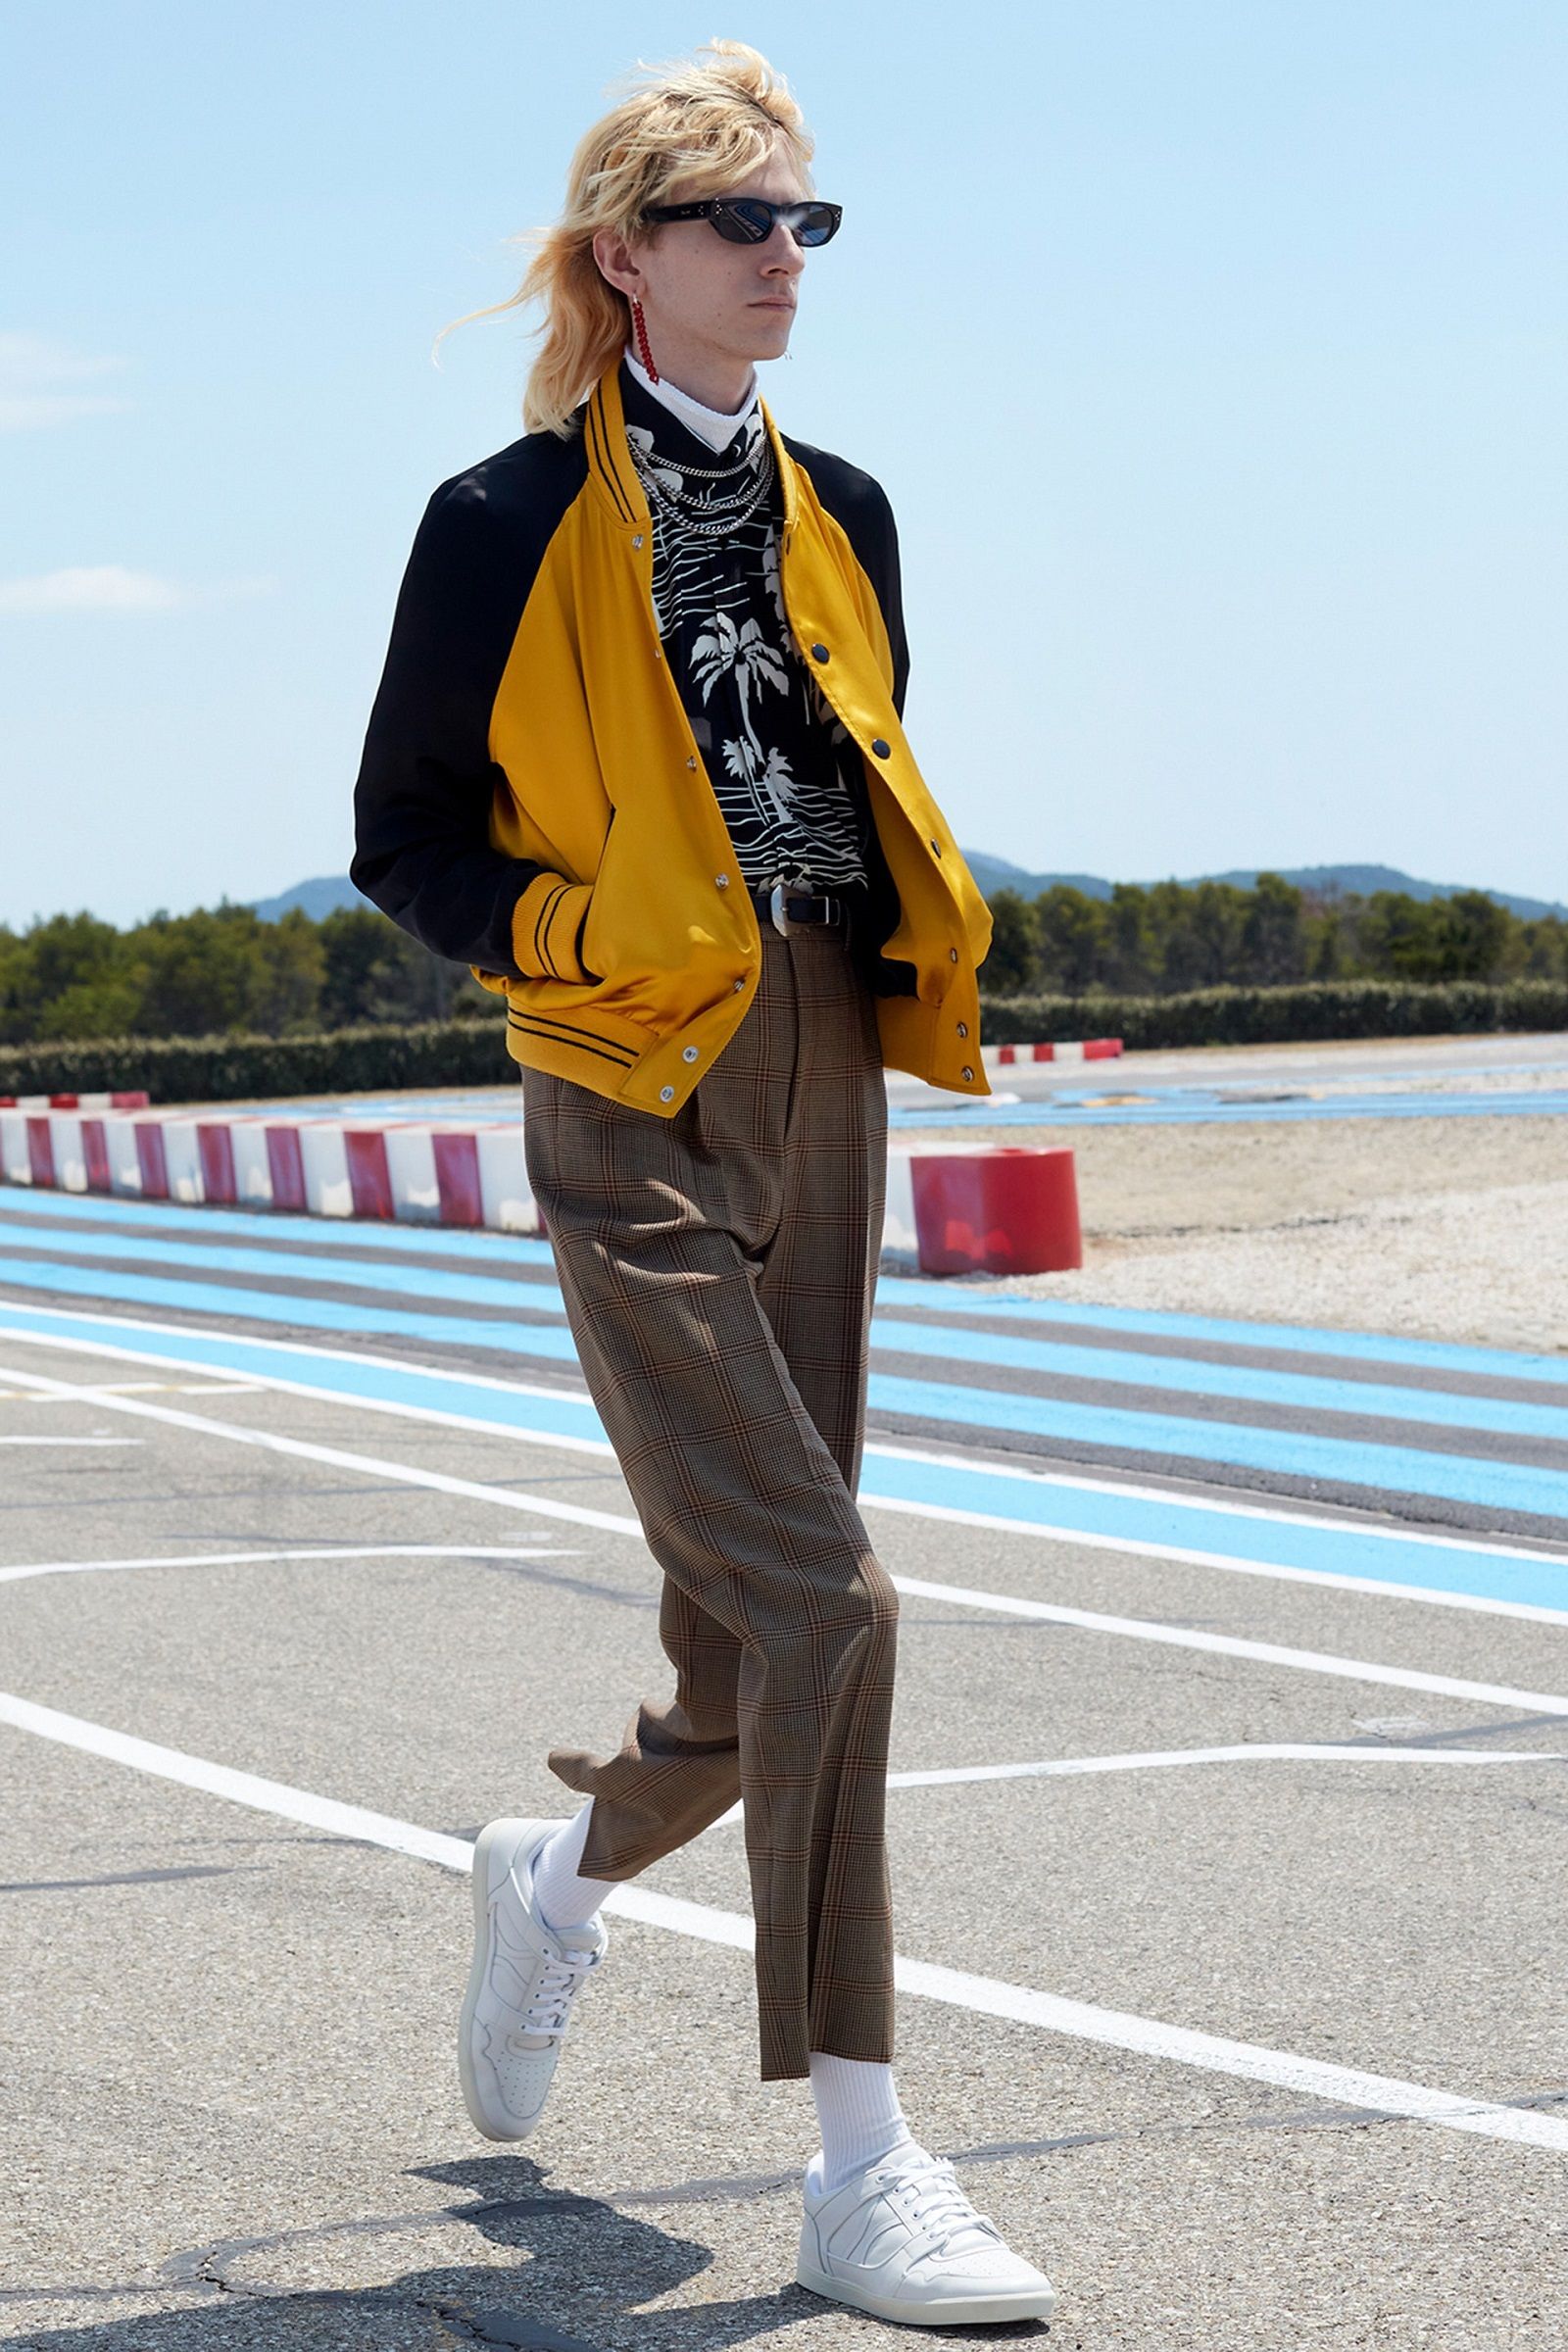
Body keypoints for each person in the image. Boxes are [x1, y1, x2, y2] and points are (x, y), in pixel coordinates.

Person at [351, 39, 1055, 2330]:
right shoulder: (498, 519)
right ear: (621, 257)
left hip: (822, 1049)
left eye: (801, 221)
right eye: (737, 220)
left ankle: (554, 1879)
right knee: (831, 1602)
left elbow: (855, 773)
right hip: (619, 1075)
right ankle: (861, 2166)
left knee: (758, 1655)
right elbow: (404, 840)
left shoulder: (846, 503)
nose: (783, 257)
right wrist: (578, 940)